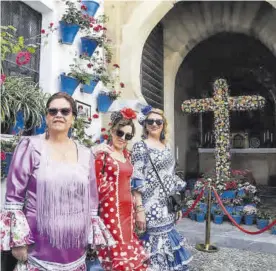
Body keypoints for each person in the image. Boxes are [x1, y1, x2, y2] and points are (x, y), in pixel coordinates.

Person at [0, 92, 115, 271]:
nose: (58, 115)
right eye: (53, 111)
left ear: (73, 118)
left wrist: (93, 238)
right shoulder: (30, 147)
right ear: (46, 117)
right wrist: (18, 241)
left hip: (76, 248)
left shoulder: (86, 154)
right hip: (38, 248)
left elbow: (92, 202)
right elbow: (14, 199)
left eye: (65, 111)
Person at [131, 106, 193, 271]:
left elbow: (171, 176)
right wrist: (139, 209)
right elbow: (137, 178)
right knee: (153, 240)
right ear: (145, 124)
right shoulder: (140, 147)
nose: (154, 124)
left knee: (168, 235)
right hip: (150, 205)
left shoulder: (166, 146)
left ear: (163, 125)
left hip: (167, 204)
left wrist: (176, 205)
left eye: (158, 121)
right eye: (150, 121)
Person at [95, 108, 148, 271]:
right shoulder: (103, 154)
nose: (123, 138)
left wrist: (138, 208)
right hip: (111, 209)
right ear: (112, 131)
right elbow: (95, 182)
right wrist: (109, 191)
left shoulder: (128, 155)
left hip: (128, 210)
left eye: (128, 136)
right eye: (120, 133)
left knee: (127, 242)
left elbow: (131, 183)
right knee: (116, 246)